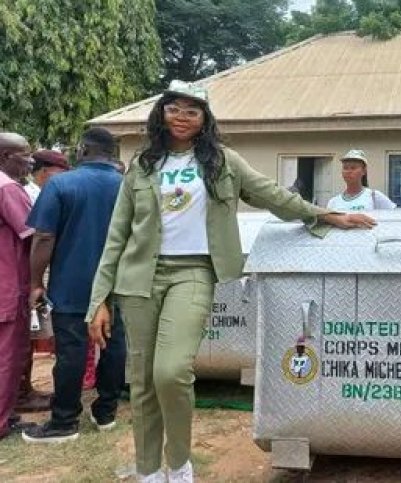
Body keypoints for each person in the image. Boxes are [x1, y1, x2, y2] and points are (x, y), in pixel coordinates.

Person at [85, 80, 374, 483]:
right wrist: (99, 298)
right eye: (174, 108)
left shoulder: (223, 161)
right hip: (138, 279)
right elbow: (118, 233)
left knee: (171, 373)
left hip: (193, 272)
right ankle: (149, 471)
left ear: (205, 119)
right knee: (144, 381)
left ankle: (180, 464)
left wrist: (325, 215)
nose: (182, 117)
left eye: (192, 110)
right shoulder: (143, 164)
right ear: (162, 113)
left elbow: (273, 195)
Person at [22, 128, 127, 444]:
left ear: (82, 150)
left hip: (72, 282)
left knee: (71, 351)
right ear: (112, 153)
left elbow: (43, 237)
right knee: (114, 345)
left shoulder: (61, 184)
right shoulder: (129, 186)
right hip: (119, 283)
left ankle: (64, 421)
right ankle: (105, 412)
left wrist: (35, 282)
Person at [16, 150, 69, 413]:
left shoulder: (32, 192)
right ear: (47, 171)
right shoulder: (30, 194)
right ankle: (21, 394)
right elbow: (38, 236)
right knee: (28, 334)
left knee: (33, 334)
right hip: (35, 270)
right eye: (62, 172)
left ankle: (25, 389)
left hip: (34, 270)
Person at [0, 132, 36, 441]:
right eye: (23, 154)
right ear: (5, 157)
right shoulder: (8, 189)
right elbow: (34, 234)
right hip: (7, 287)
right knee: (7, 357)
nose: (30, 160)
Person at [327, 149, 396, 211]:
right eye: (345, 168)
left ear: (364, 171)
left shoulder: (374, 196)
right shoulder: (333, 202)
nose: (348, 171)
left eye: (353, 168)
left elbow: (395, 217)